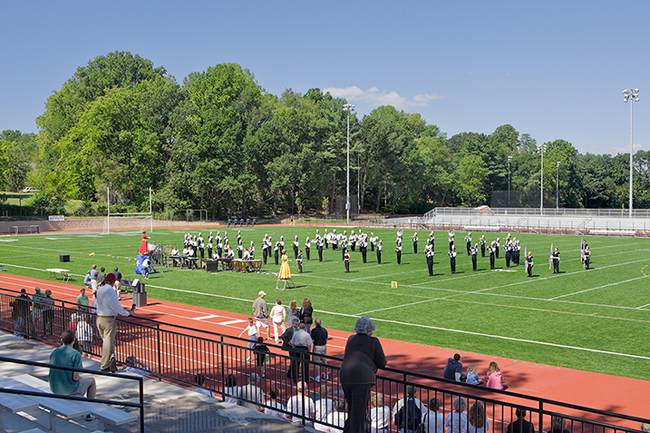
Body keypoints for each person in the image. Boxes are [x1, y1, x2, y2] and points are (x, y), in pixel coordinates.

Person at [340, 316, 387, 433]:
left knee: (352, 410)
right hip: (362, 379)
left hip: (346, 376)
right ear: (369, 329)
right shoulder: (373, 341)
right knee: (359, 413)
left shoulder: (351, 339)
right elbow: (382, 363)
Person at [49, 329, 97, 421]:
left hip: (54, 387)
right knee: (92, 381)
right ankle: (89, 414)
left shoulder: (54, 352)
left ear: (61, 339)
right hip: (69, 389)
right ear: (73, 340)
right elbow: (75, 378)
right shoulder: (76, 354)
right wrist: (80, 378)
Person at [96, 272, 133, 372]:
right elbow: (116, 306)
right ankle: (104, 364)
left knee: (107, 341)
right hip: (108, 319)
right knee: (108, 342)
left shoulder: (99, 289)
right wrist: (127, 313)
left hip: (99, 318)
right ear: (113, 282)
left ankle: (111, 358)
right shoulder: (111, 291)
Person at [311, 318, 329, 382]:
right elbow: (326, 339)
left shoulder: (313, 331)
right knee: (324, 361)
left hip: (317, 347)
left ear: (315, 323)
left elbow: (312, 340)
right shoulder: (324, 330)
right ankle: (326, 375)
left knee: (317, 362)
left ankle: (318, 376)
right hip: (324, 346)